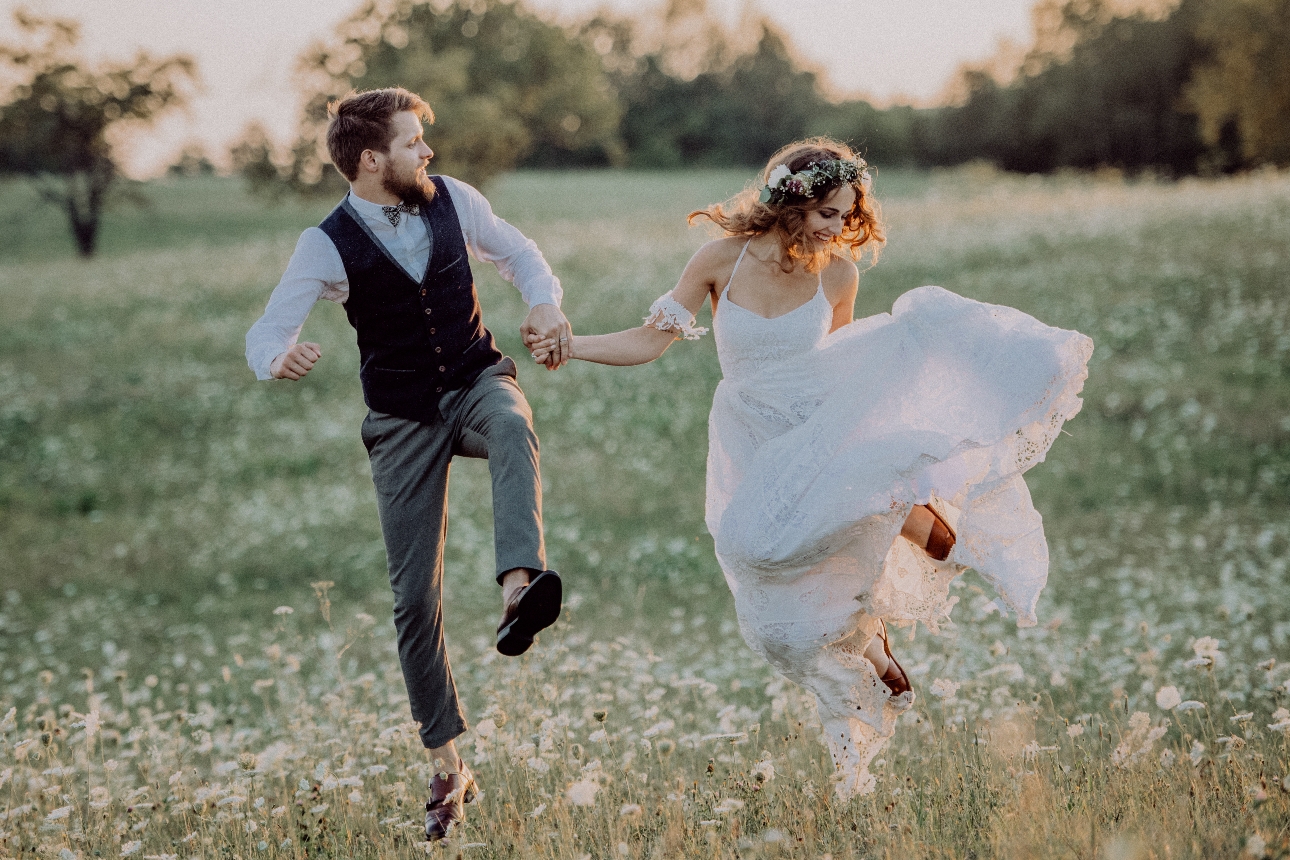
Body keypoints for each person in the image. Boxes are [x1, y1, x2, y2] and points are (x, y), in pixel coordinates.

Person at [529, 138, 1093, 799]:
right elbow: (650, 339)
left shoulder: (838, 273)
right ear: (791, 202)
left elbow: (843, 359)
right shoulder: (720, 260)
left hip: (818, 429)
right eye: (829, 212)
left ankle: (915, 539)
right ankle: (875, 632)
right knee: (758, 556)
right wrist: (575, 347)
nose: (840, 227)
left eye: (847, 214)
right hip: (750, 435)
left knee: (862, 542)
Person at [245, 87, 573, 840]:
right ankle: (450, 768)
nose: (428, 152)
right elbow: (268, 327)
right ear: (370, 159)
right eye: (412, 142)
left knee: (514, 426)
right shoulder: (324, 243)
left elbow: (518, 252)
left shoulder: (455, 198)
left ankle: (519, 589)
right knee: (412, 602)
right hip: (400, 421)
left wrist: (545, 301)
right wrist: (276, 357)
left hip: (475, 381)